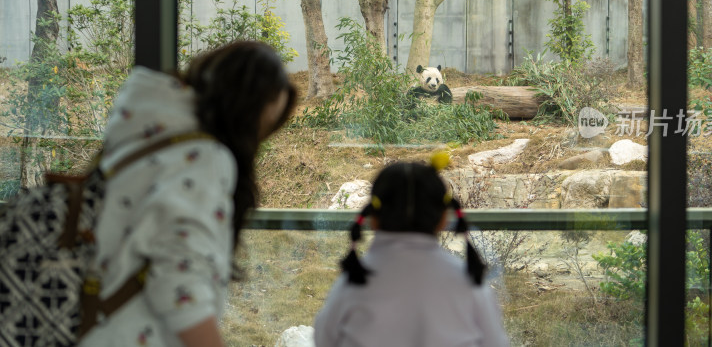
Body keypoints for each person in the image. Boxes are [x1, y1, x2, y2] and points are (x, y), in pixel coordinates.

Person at [79, 40, 296, 347]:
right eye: (260, 126)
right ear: (242, 109)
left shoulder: (145, 135)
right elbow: (180, 282)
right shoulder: (203, 157)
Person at [314, 155, 510, 347]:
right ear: (444, 219)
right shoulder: (469, 283)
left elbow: (323, 339)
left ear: (372, 218)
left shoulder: (353, 283)